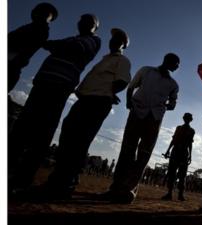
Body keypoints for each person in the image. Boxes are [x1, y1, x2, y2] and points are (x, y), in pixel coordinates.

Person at [9, 14, 101, 191]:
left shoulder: (93, 41)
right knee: (21, 128)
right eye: (81, 19)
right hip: (43, 83)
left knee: (43, 132)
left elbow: (72, 47)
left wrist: (52, 45)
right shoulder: (73, 39)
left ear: (95, 27)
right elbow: (56, 45)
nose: (82, 22)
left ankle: (23, 178)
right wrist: (53, 45)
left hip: (59, 87)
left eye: (88, 21)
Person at [42, 28, 130, 198]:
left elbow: (122, 81)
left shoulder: (122, 60)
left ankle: (64, 183)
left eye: (117, 41)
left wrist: (110, 93)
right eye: (112, 40)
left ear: (123, 45)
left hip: (97, 101)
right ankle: (60, 180)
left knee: (79, 141)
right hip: (85, 99)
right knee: (68, 136)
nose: (112, 42)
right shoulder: (105, 60)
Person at [102, 53, 180, 204]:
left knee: (143, 155)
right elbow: (131, 87)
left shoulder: (173, 84)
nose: (178, 67)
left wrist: (169, 105)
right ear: (168, 61)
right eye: (177, 63)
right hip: (137, 113)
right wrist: (128, 102)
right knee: (127, 150)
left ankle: (128, 190)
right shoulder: (146, 71)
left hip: (155, 119)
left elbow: (173, 103)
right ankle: (115, 188)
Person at [8, 2, 58, 92]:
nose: (38, 14)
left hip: (11, 67)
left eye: (44, 13)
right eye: (38, 11)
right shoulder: (30, 27)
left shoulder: (40, 30)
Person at [161, 113, 195, 201]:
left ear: (190, 120)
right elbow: (174, 140)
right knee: (172, 173)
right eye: (186, 118)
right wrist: (167, 151)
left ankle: (180, 195)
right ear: (184, 118)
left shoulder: (192, 131)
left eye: (188, 118)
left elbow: (190, 144)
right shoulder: (178, 128)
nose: (186, 119)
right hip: (175, 152)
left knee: (182, 174)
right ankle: (169, 193)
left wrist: (190, 156)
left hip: (184, 153)